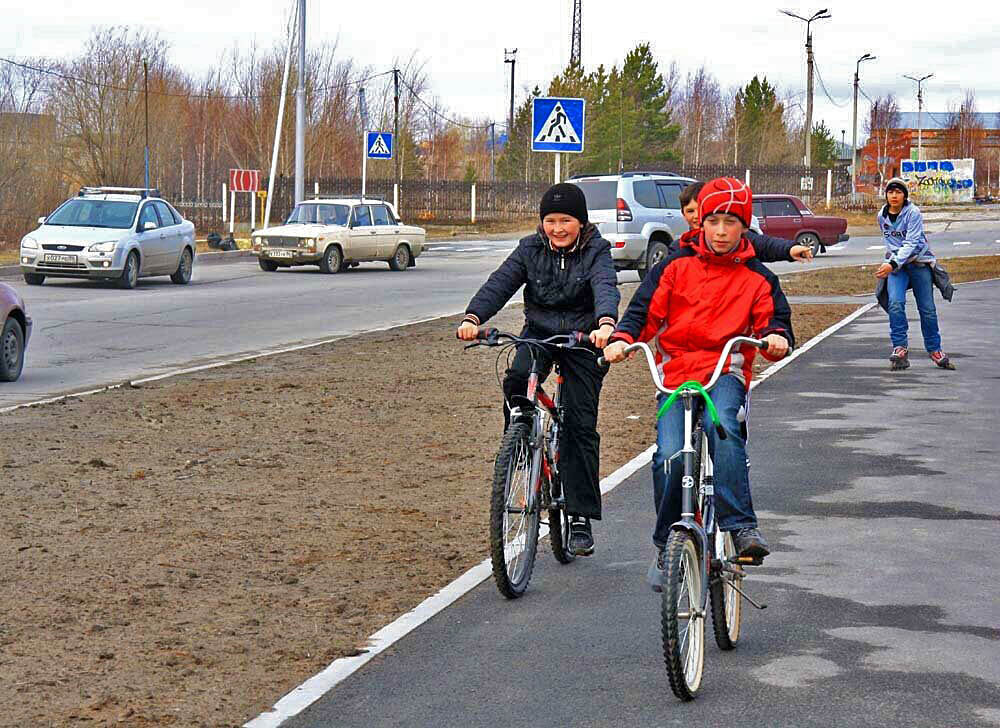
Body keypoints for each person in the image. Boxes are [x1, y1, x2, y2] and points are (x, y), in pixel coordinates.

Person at [602, 177, 793, 589]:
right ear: (699, 222)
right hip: (676, 376)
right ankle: (667, 542)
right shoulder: (673, 267)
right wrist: (621, 339)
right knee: (669, 455)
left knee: (723, 426)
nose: (721, 231)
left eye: (731, 222)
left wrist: (777, 338)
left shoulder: (757, 278)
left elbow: (775, 321)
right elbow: (641, 315)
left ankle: (741, 526)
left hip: (725, 371)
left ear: (745, 227)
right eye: (714, 221)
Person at [457, 183, 620, 556]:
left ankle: (579, 517)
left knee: (579, 426)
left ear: (581, 222)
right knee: (516, 380)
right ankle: (519, 441)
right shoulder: (529, 249)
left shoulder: (597, 250)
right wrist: (473, 316)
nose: (558, 228)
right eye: (551, 220)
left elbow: (605, 286)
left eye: (566, 220)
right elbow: (501, 283)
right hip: (540, 333)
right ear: (542, 222)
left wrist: (606, 324)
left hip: (583, 339)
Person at [874, 178, 954, 371]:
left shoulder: (913, 213)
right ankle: (900, 348)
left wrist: (892, 263)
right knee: (895, 303)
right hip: (897, 267)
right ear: (886, 195)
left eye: (898, 192)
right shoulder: (881, 216)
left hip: (919, 264)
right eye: (890, 192)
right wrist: (892, 263)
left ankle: (935, 349)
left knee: (927, 308)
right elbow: (891, 244)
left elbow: (911, 243)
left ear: (905, 195)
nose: (894, 195)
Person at [677, 181, 814, 263]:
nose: (696, 216)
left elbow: (765, 245)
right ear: (683, 214)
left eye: (700, 210)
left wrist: (790, 249)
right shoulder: (679, 250)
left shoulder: (740, 243)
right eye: (690, 211)